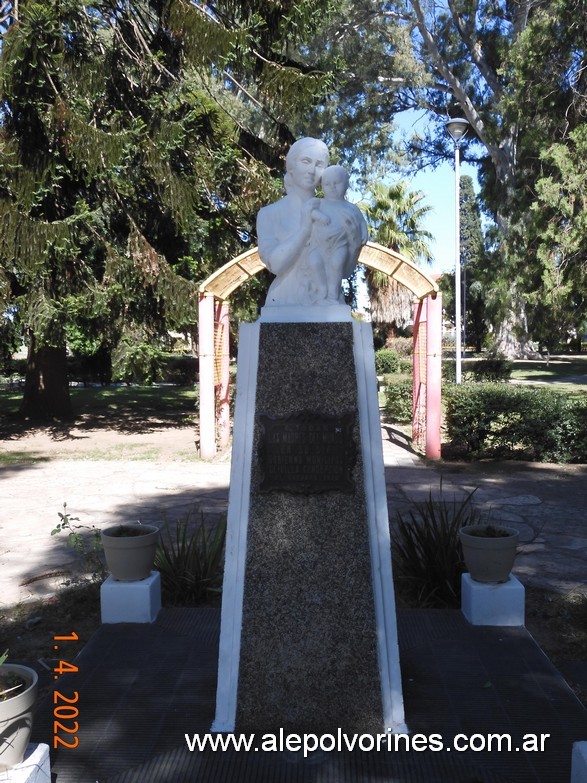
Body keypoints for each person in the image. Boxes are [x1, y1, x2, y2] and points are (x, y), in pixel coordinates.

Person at [309, 164, 368, 303]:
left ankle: (333, 295)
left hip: (339, 244)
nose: (332, 187)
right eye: (327, 184)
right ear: (321, 186)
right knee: (314, 261)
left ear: (346, 185)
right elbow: (308, 212)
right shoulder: (318, 203)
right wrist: (318, 216)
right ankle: (321, 289)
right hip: (318, 243)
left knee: (337, 264)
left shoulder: (350, 208)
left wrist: (364, 232)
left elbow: (361, 222)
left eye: (337, 183)